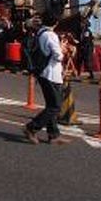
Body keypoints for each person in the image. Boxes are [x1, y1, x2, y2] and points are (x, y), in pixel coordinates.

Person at [23, 12, 70, 145]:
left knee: (51, 105)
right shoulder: (51, 35)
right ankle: (31, 127)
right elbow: (58, 56)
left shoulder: (40, 33)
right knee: (55, 106)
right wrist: (62, 49)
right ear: (56, 23)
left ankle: (53, 135)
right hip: (50, 74)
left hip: (44, 73)